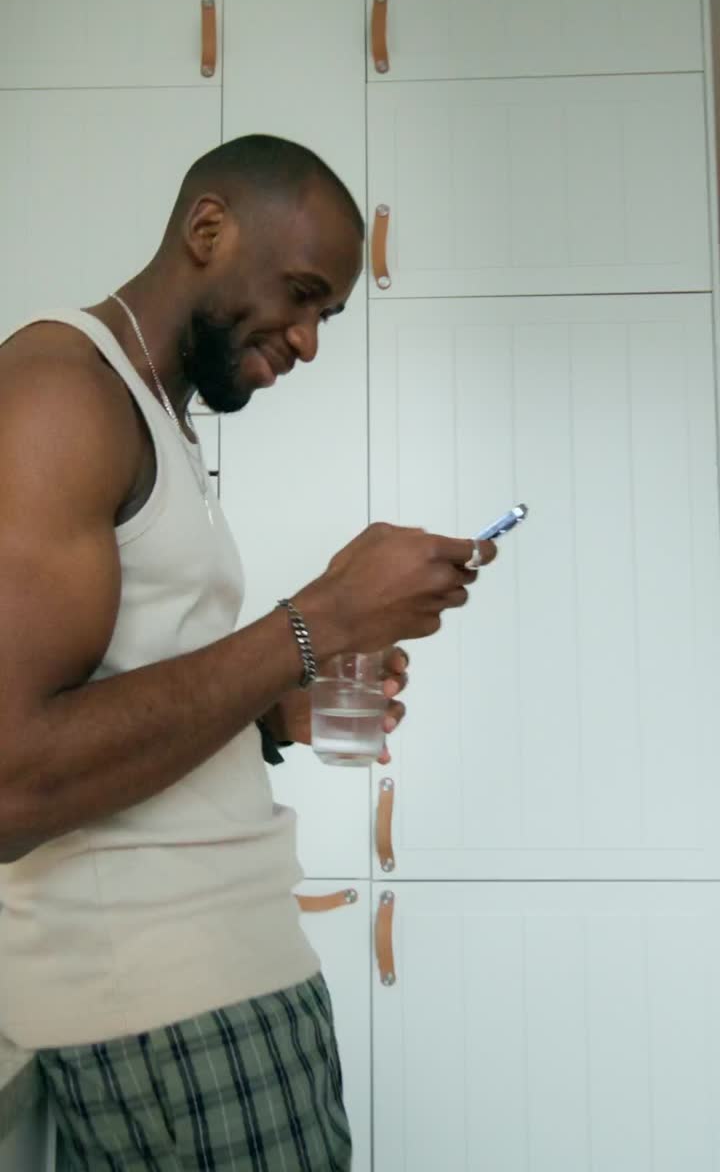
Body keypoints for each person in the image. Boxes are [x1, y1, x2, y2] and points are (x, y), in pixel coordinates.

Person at [0, 135, 495, 1170]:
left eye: (330, 315)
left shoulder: (151, 413)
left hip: (206, 989)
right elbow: (9, 779)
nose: (311, 341)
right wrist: (311, 621)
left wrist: (274, 710)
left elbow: (106, 691)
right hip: (167, 1006)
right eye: (304, 294)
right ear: (209, 228)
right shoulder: (61, 398)